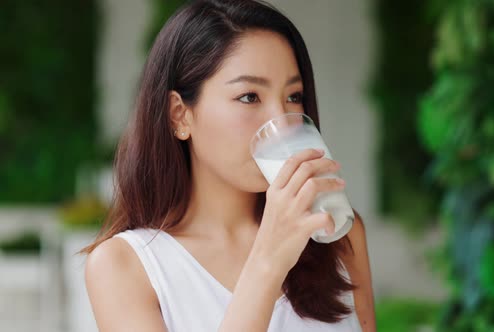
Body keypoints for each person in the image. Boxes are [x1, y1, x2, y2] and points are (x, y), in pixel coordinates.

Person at [83, 0, 375, 331]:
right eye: (250, 97)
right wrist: (267, 263)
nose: (282, 121)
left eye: (294, 96)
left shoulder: (336, 235)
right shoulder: (125, 266)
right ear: (180, 115)